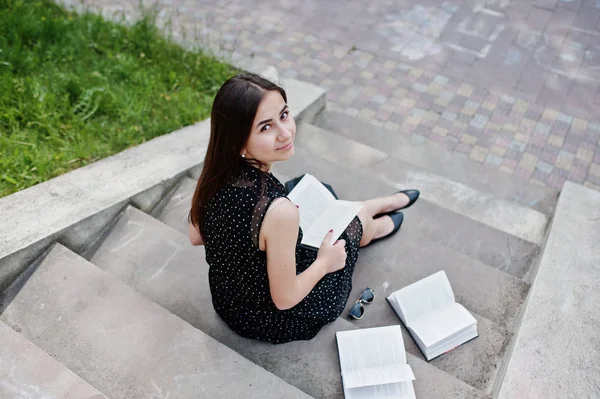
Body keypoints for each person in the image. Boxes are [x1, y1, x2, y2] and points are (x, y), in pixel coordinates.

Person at [188, 72, 419, 344]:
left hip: (228, 300)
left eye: (284, 115)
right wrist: (324, 263)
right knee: (348, 225)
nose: (285, 133)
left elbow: (196, 236)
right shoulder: (278, 212)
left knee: (308, 190)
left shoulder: (216, 171)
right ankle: (370, 223)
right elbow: (285, 299)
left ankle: (369, 208)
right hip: (270, 318)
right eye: (265, 127)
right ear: (238, 141)